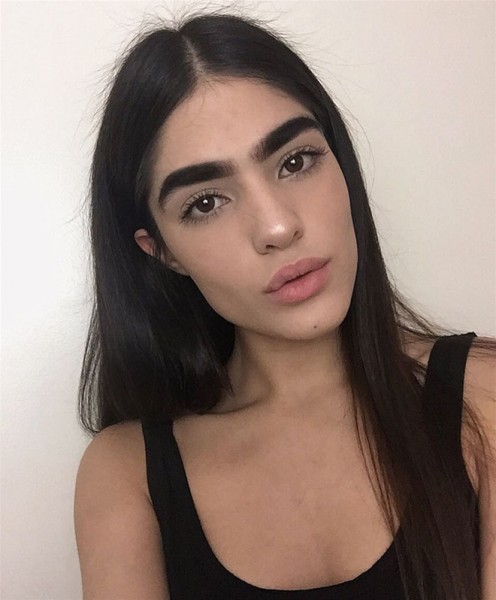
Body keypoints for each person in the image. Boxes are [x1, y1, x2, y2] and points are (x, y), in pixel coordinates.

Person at [73, 10, 496, 600]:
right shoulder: (128, 476)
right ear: (163, 251)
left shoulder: (484, 393)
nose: (276, 226)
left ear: (340, 161)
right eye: (206, 202)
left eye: (295, 162)